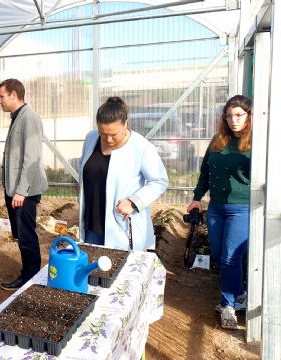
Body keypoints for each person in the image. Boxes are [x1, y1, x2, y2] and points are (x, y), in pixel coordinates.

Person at [187, 95, 252, 330]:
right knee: (218, 254)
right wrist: (196, 198)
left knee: (230, 258)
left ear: (249, 116)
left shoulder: (256, 143)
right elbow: (206, 171)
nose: (233, 120)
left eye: (239, 115)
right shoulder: (218, 141)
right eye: (229, 116)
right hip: (216, 208)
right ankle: (241, 293)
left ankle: (228, 306)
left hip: (242, 209)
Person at [78, 97, 168, 250]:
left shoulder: (141, 148)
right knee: (93, 270)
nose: (108, 139)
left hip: (121, 227)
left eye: (114, 134)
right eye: (103, 133)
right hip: (92, 223)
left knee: (120, 271)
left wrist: (134, 202)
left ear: (126, 123)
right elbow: (83, 165)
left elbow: (159, 181)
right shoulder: (91, 138)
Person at [0, 79, 48, 291]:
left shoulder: (30, 119)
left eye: (1, 96)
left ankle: (30, 277)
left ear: (14, 95)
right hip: (16, 190)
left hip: (24, 191)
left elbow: (32, 158)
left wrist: (21, 191)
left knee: (26, 234)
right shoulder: (18, 117)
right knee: (21, 233)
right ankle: (28, 272)